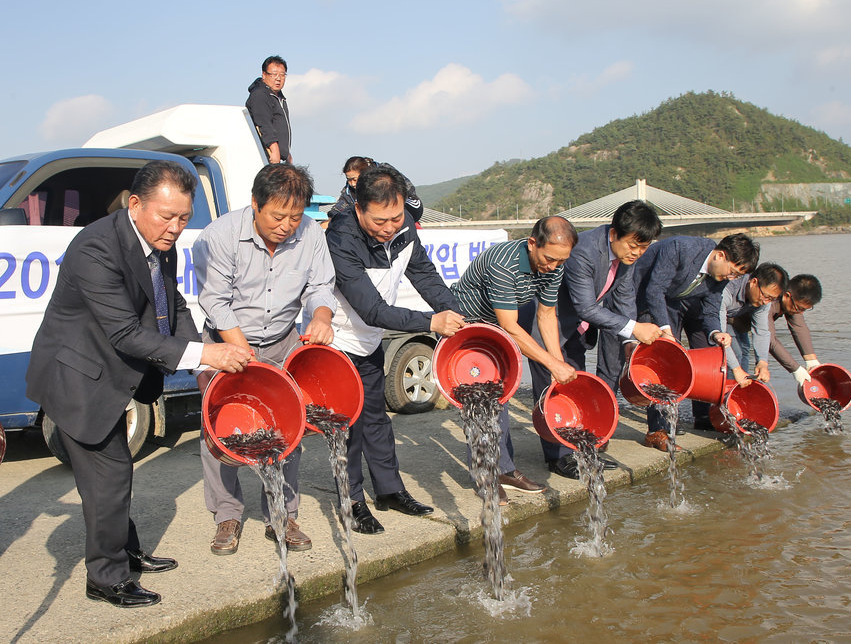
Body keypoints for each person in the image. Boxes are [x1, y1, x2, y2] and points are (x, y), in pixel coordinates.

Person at [25, 161, 252, 608]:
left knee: (113, 476)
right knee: (109, 477)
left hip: (114, 374)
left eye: (184, 218)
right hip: (79, 379)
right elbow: (126, 333)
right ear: (135, 203)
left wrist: (202, 367)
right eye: (166, 216)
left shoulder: (156, 241)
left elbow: (176, 307)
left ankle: (124, 552)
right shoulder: (96, 248)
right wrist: (209, 354)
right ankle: (105, 579)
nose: (175, 228)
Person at [193, 163, 336, 556]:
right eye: (277, 215)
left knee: (289, 426)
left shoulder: (310, 234)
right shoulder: (218, 237)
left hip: (282, 339)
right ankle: (227, 514)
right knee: (218, 428)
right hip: (226, 340)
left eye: (295, 216)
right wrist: (243, 355)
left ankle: (283, 513)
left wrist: (322, 316)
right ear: (255, 204)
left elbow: (321, 286)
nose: (287, 225)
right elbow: (215, 302)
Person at [326, 165, 464, 534]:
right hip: (337, 345)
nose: (389, 227)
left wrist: (452, 312)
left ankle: (389, 490)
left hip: (368, 344)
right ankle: (352, 499)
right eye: (380, 220)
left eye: (396, 217)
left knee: (376, 420)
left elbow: (426, 276)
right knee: (348, 427)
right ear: (358, 208)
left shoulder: (405, 230)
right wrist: (431, 323)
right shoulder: (341, 238)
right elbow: (372, 310)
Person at [521, 201, 664, 479]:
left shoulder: (626, 258)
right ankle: (558, 457)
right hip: (548, 326)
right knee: (551, 390)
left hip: (577, 329)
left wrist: (629, 342)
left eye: (643, 248)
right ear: (613, 235)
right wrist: (635, 328)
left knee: (577, 386)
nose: (637, 253)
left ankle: (579, 451)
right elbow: (586, 306)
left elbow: (623, 297)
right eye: (633, 245)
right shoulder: (584, 251)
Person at [451, 216, 579, 500]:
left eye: (561, 261)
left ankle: (504, 469)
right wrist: (551, 363)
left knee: (501, 395)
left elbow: (546, 314)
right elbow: (511, 326)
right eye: (549, 259)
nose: (554, 266)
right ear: (533, 243)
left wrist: (559, 364)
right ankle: (486, 474)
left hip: (496, 328)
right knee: (479, 401)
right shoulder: (503, 263)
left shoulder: (554, 264)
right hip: (466, 326)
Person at [632, 233, 759, 438]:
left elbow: (710, 309)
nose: (731, 278)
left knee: (674, 360)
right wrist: (666, 331)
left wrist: (717, 333)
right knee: (659, 359)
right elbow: (655, 290)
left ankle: (667, 426)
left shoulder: (720, 276)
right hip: (636, 295)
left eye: (736, 276)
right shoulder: (680, 248)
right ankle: (658, 430)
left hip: (671, 300)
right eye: (732, 272)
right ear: (720, 255)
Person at [719, 263, 789, 387]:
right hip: (707, 317)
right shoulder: (728, 290)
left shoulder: (764, 300)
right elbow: (719, 334)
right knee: (735, 354)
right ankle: (727, 393)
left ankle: (739, 390)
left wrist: (762, 362)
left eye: (772, 299)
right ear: (754, 282)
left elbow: (761, 331)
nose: (766, 302)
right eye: (766, 296)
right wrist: (736, 369)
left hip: (730, 319)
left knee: (745, 348)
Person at [755, 273, 824, 385]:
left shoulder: (791, 303)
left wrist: (812, 361)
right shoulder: (769, 301)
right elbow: (769, 340)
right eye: (799, 308)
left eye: (805, 310)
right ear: (787, 295)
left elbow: (799, 327)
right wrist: (795, 369)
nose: (800, 313)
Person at [329, 156, 423, 223]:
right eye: (348, 180)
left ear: (364, 173)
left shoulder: (384, 170)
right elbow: (341, 206)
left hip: (408, 206)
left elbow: (408, 189)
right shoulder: (350, 190)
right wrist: (331, 218)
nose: (352, 184)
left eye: (355, 179)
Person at [246, 55, 292, 164]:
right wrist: (274, 150)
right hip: (267, 155)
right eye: (274, 74)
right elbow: (263, 124)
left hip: (278, 157)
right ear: (264, 75)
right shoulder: (260, 95)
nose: (278, 78)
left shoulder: (278, 97)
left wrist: (287, 154)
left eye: (282, 75)